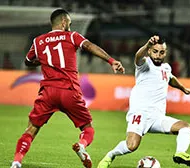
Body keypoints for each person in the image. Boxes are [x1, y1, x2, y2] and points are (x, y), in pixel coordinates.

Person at [10, 9, 125, 168]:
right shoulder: (72, 36)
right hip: (69, 91)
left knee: (31, 128)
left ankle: (16, 162)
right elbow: (90, 46)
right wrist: (111, 60)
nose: (70, 27)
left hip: (48, 92)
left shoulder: (38, 41)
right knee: (88, 128)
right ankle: (82, 145)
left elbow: (28, 61)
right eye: (69, 24)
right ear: (64, 22)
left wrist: (41, 62)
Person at [97, 35, 190, 168]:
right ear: (149, 51)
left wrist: (183, 88)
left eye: (162, 52)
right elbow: (137, 57)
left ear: (166, 52)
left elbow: (170, 78)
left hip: (157, 117)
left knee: (186, 127)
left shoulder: (166, 68)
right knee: (131, 146)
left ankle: (180, 153)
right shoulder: (145, 64)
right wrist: (147, 44)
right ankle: (110, 155)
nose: (158, 55)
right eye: (155, 51)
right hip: (140, 114)